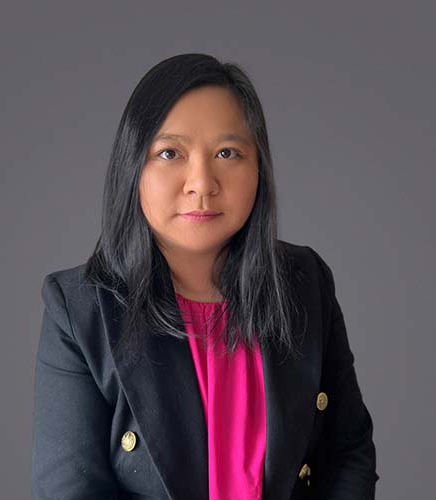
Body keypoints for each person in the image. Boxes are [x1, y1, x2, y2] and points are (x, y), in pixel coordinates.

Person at [31, 53, 379, 500]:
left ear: (259, 168)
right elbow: (70, 489)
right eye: (170, 153)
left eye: (227, 153)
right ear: (132, 166)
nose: (202, 182)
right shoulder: (78, 308)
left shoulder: (305, 282)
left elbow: (347, 452)